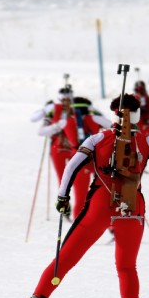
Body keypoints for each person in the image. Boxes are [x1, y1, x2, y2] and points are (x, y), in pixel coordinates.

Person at [8, 94, 149, 298]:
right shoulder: (147, 141)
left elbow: (72, 166)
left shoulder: (98, 138)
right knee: (126, 266)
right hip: (132, 207)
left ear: (113, 115)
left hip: (99, 204)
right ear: (137, 115)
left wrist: (63, 197)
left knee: (64, 259)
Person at [30, 86, 111, 219]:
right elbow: (111, 125)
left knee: (69, 184)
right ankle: (108, 224)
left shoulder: (65, 120)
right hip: (91, 156)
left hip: (73, 154)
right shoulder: (92, 118)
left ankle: (71, 214)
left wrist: (49, 122)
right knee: (99, 189)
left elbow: (41, 130)